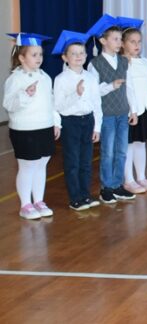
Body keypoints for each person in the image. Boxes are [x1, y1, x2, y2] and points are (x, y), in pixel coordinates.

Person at [3, 33, 60, 220]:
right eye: (34, 55)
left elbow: (52, 102)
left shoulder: (45, 77)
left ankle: (39, 201)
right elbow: (9, 105)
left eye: (40, 54)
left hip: (44, 127)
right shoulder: (15, 79)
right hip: (24, 130)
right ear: (21, 57)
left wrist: (56, 122)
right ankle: (25, 204)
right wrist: (25, 94)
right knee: (27, 166)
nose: (39, 58)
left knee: (41, 164)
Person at [86, 14, 138, 204]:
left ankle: (117, 185)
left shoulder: (124, 61)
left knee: (121, 151)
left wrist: (133, 110)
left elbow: (129, 87)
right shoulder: (95, 64)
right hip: (106, 114)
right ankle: (106, 187)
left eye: (120, 39)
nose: (119, 42)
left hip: (122, 112)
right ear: (103, 41)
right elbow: (93, 92)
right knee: (107, 152)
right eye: (115, 39)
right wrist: (110, 86)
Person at [53, 31, 102, 211]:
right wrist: (76, 94)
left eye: (81, 53)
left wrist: (97, 127)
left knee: (86, 162)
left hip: (87, 121)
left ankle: (85, 195)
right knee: (72, 161)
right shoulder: (61, 79)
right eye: (73, 53)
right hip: (70, 123)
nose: (78, 56)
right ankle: (75, 198)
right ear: (65, 57)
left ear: (86, 55)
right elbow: (58, 106)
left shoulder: (91, 77)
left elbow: (96, 104)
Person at [121, 22, 147, 193]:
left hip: (146, 108)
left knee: (140, 143)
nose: (137, 45)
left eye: (139, 41)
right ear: (123, 44)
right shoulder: (122, 63)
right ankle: (128, 180)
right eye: (132, 42)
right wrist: (132, 110)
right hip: (132, 110)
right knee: (128, 144)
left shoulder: (145, 62)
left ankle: (141, 177)